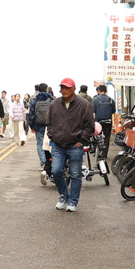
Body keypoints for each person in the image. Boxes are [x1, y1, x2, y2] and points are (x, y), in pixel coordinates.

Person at [47, 77, 95, 212]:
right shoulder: (54, 104)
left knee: (75, 174)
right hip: (58, 145)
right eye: (62, 87)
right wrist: (52, 136)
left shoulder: (84, 104)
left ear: (74, 88)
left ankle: (73, 201)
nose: (64, 90)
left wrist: (81, 141)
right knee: (56, 171)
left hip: (75, 146)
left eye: (67, 87)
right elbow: (49, 123)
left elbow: (90, 126)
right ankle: (64, 195)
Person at [29, 83, 53, 170]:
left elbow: (31, 114)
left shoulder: (35, 100)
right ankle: (51, 162)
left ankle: (43, 163)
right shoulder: (51, 100)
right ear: (47, 89)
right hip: (50, 126)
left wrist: (32, 126)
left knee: (40, 145)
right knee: (50, 144)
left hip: (38, 126)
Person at [92, 85, 116, 156]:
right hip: (108, 121)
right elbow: (113, 111)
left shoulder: (95, 99)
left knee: (98, 137)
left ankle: (98, 152)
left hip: (98, 122)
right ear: (106, 91)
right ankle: (104, 154)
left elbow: (93, 110)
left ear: (98, 91)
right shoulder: (111, 100)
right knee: (107, 137)